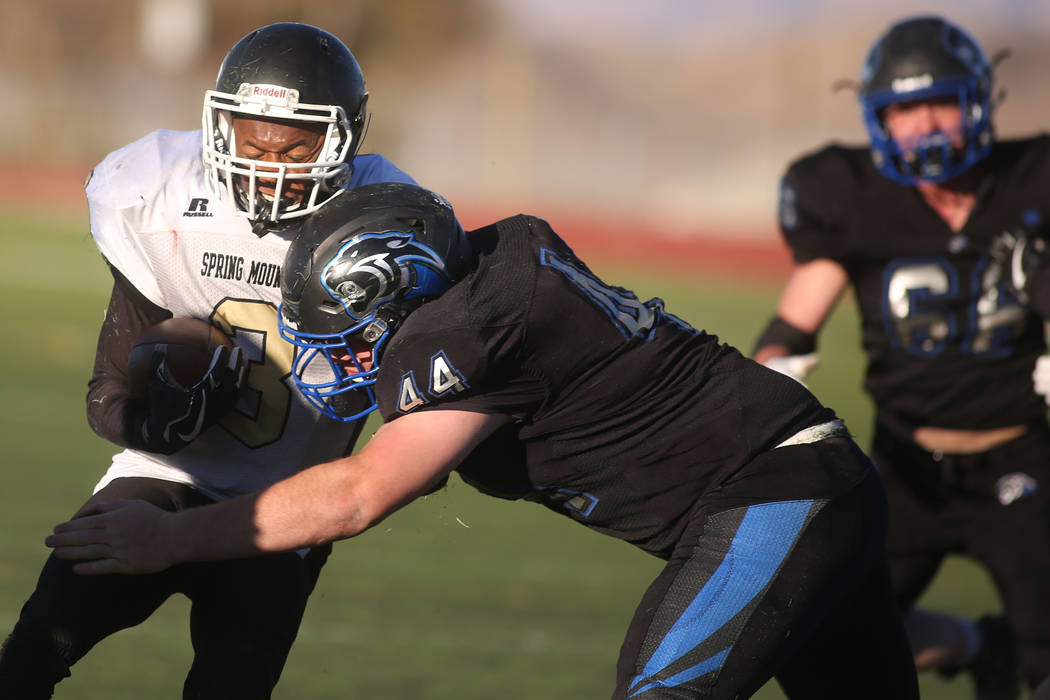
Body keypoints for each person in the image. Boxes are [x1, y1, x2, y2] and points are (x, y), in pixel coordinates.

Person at [45, 182, 920, 699]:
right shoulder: (496, 262)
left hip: (778, 496)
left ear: (406, 296)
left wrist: (169, 538)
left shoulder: (467, 334)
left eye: (349, 336)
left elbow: (359, 494)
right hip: (813, 487)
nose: (336, 361)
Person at [0, 22, 420, 699]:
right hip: (165, 473)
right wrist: (163, 423)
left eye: (292, 148)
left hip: (287, 507)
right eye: (251, 141)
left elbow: (419, 401)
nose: (265, 166)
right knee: (35, 645)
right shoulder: (156, 190)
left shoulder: (386, 226)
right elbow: (108, 395)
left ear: (343, 137)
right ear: (218, 124)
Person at [751, 15, 1050, 699]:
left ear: (976, 101)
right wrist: (772, 366)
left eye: (937, 103)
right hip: (904, 466)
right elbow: (799, 314)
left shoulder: (1033, 178)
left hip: (1021, 460)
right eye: (902, 110)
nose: (922, 127)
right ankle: (981, 646)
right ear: (877, 120)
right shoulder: (852, 195)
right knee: (815, 631)